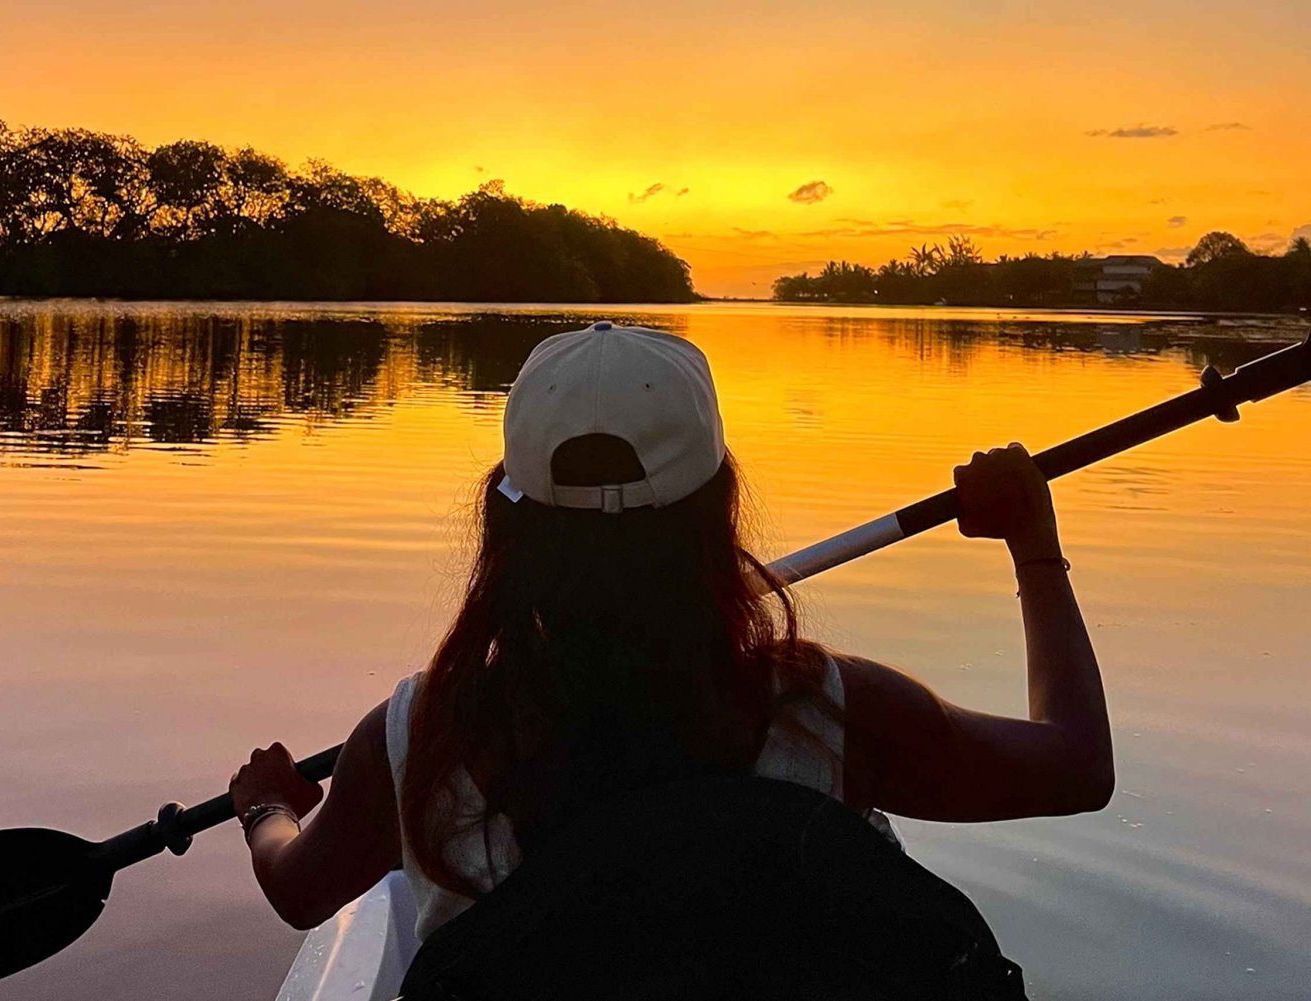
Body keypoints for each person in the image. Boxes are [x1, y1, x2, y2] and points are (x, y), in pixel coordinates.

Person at [228, 321, 1113, 943]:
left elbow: (299, 890)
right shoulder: (828, 712)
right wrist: (1035, 542)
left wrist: (268, 805)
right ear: (718, 506)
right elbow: (1076, 764)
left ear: (510, 525)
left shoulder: (422, 731)